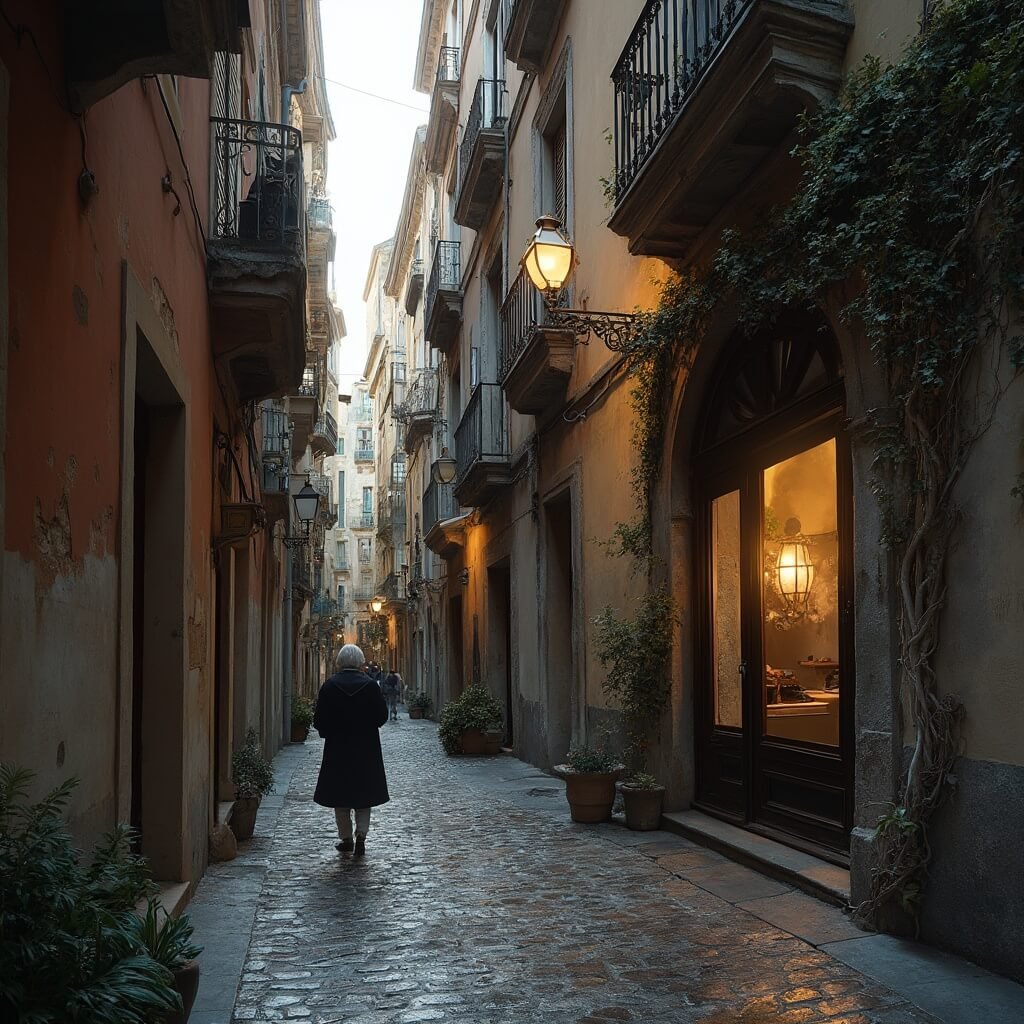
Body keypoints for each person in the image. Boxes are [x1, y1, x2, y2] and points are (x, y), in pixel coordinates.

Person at [313, 644, 389, 855]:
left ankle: (346, 838)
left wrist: (330, 731)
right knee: (364, 796)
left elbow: (319, 719)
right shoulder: (370, 686)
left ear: (339, 661)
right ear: (360, 661)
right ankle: (362, 837)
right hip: (366, 749)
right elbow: (382, 716)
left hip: (338, 749)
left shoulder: (329, 686)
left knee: (341, 796)